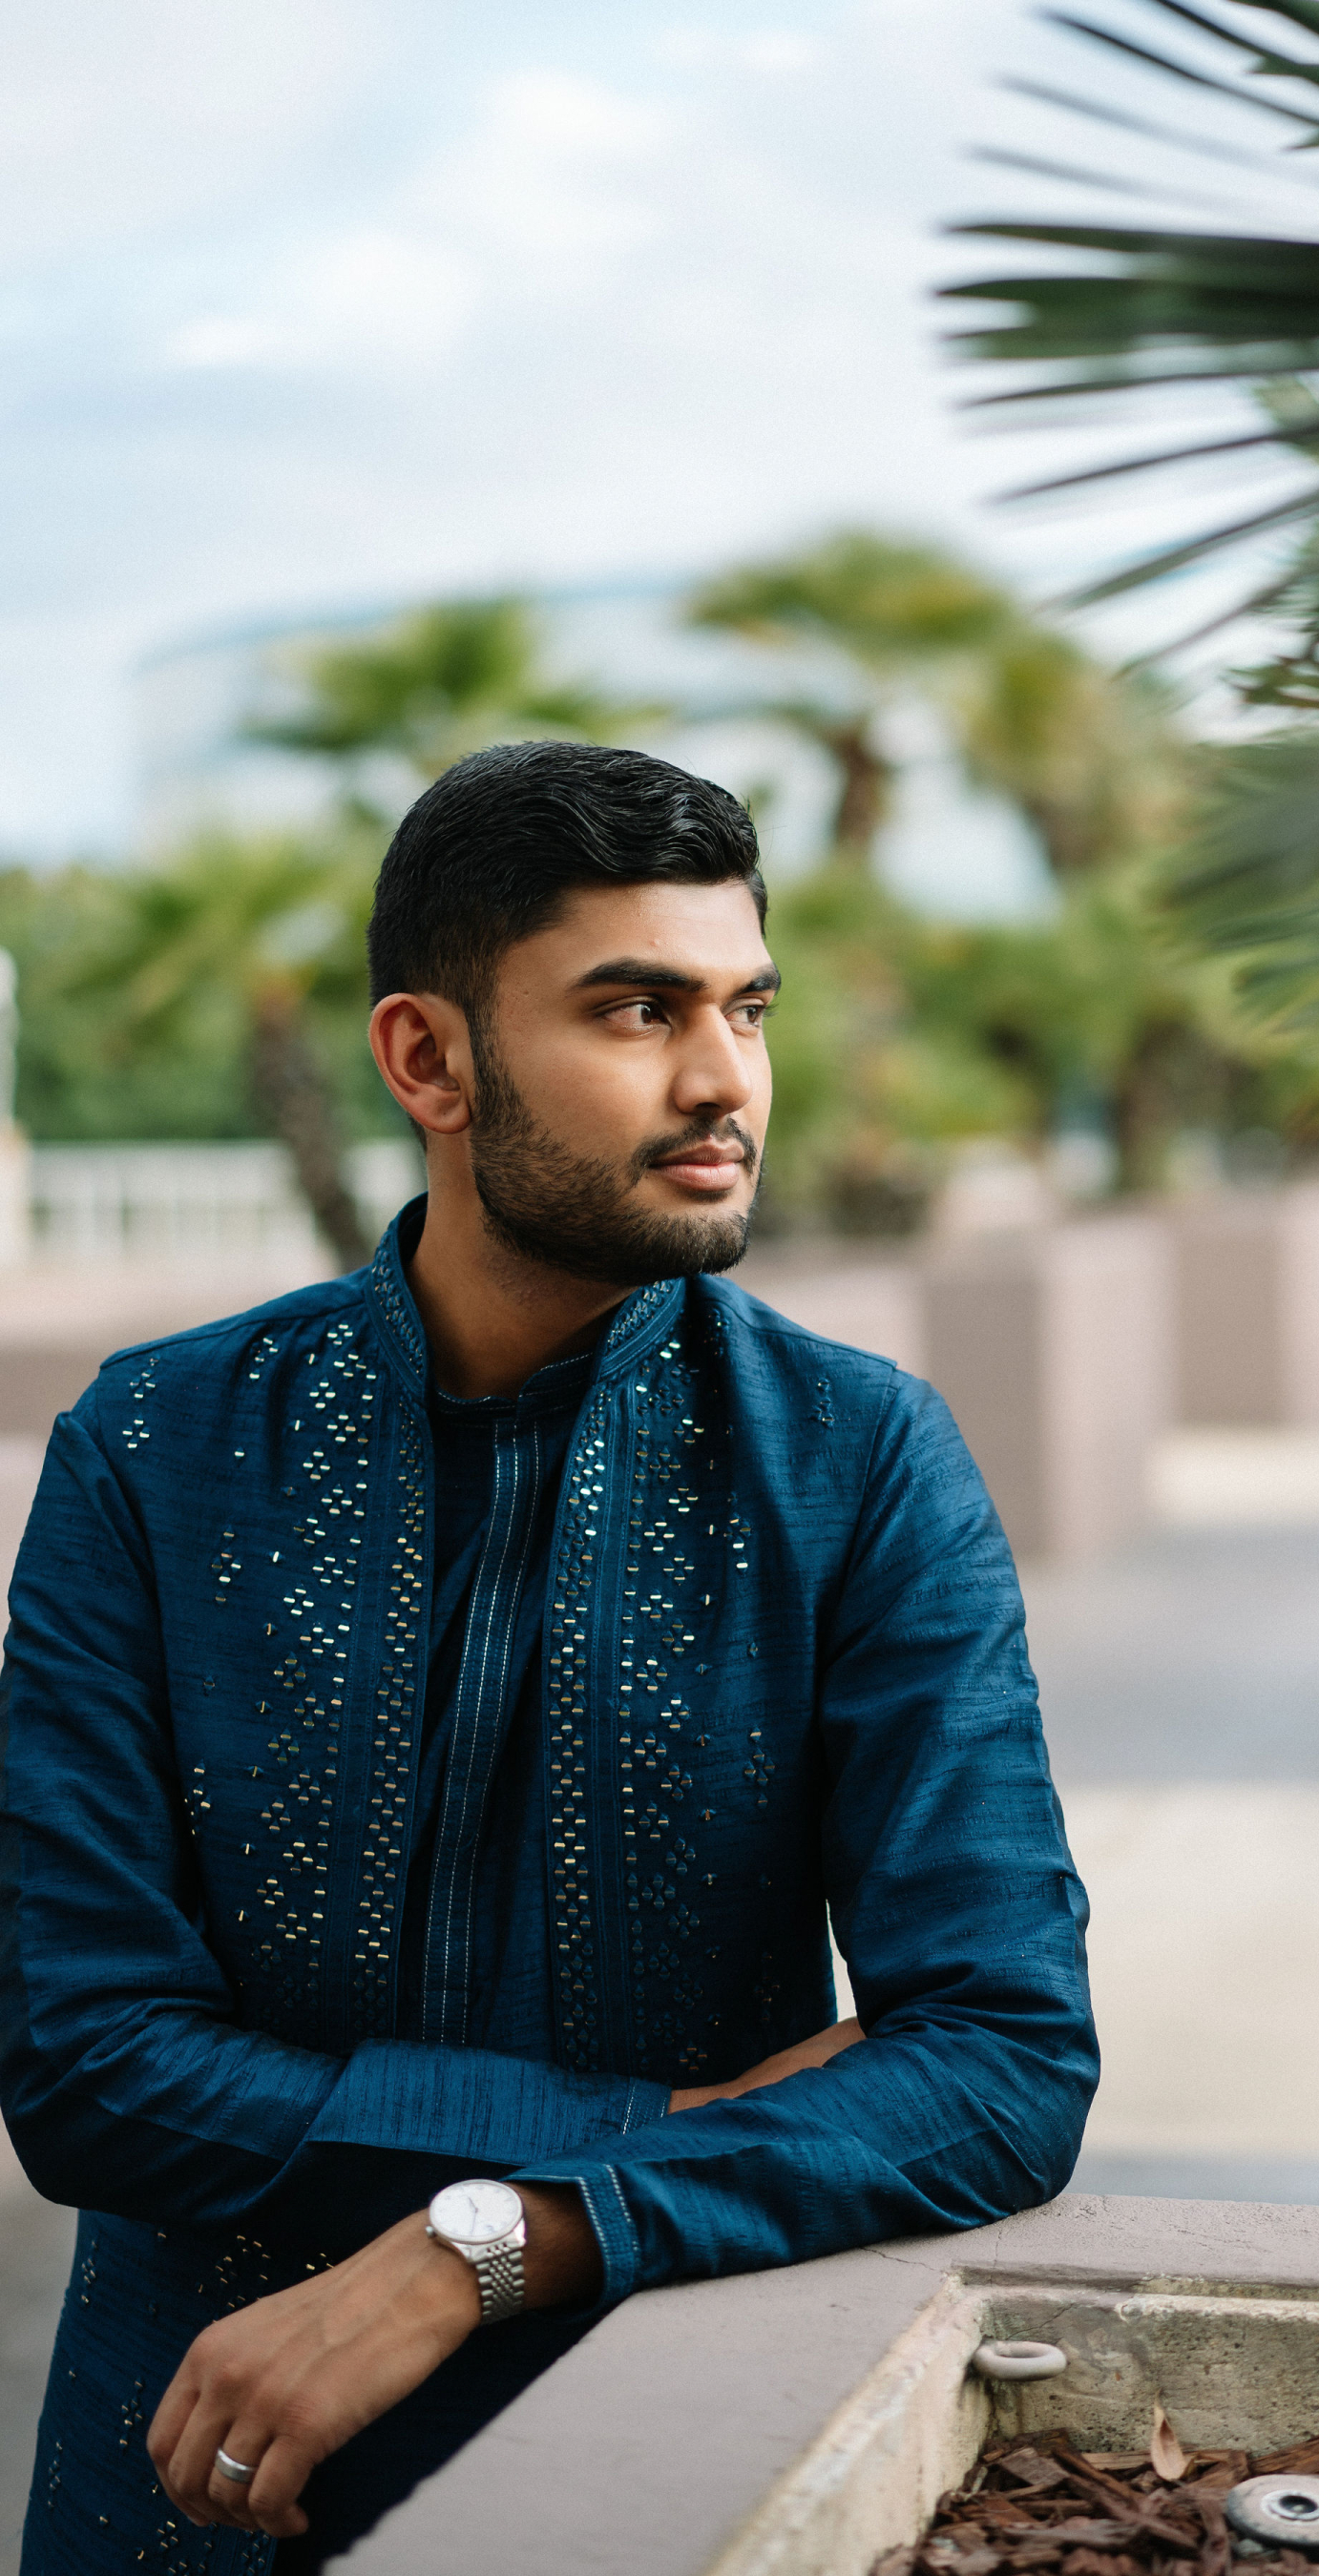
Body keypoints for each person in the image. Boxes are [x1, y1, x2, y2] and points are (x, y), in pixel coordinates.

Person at [0, 740, 1097, 2573]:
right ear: (428, 1058)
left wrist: (486, 2239)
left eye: (748, 1007)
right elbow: (87, 2061)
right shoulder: (160, 1447)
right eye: (636, 1009)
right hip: (179, 2467)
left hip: (653, 2450)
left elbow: (999, 2058)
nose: (722, 1079)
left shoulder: (854, 1459)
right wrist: (648, 2132)